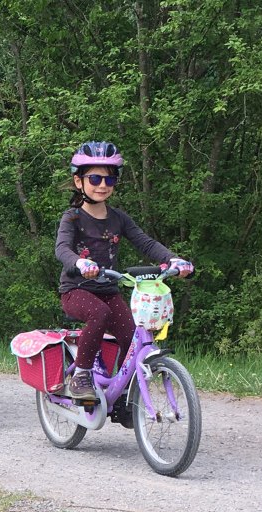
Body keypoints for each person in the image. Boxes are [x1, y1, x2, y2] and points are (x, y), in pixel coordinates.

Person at [55, 140, 193, 400]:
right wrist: (79, 263)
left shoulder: (118, 218)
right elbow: (62, 249)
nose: (102, 185)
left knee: (133, 339)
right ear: (79, 182)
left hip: (108, 289)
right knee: (99, 313)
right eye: (95, 178)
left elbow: (146, 243)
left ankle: (124, 399)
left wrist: (174, 260)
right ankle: (81, 374)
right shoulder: (72, 217)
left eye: (109, 179)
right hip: (75, 290)